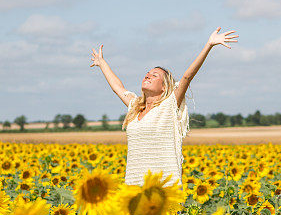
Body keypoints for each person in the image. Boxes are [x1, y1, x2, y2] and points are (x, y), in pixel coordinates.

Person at [90, 27, 238, 187]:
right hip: (134, 188)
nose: (148, 75)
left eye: (155, 75)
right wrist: (102, 63)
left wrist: (208, 45)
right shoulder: (135, 107)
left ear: (164, 86)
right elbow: (118, 88)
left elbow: (187, 77)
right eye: (147, 73)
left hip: (164, 190)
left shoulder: (169, 105)